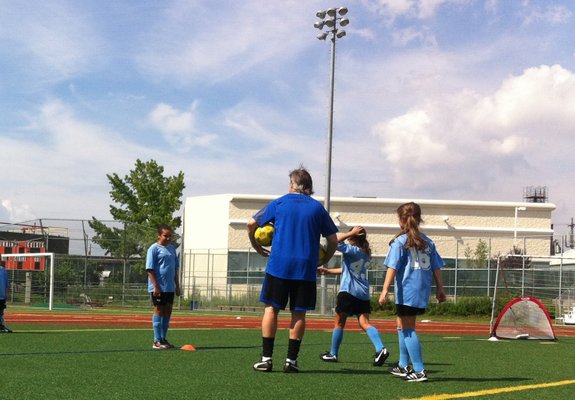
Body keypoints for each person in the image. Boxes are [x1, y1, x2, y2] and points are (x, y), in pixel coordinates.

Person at [247, 166, 338, 373]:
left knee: (271, 309)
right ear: (309, 187)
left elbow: (250, 223)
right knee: (299, 313)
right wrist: (325, 259)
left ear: (291, 185)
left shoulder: (279, 203)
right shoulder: (317, 208)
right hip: (305, 267)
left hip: (278, 265)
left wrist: (255, 245)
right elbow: (332, 239)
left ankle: (266, 359)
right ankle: (291, 361)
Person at [378, 202, 446, 382]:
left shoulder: (400, 242)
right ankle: (402, 364)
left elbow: (392, 267)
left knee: (408, 329)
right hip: (420, 290)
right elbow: (436, 266)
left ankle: (419, 369)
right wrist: (440, 288)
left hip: (407, 290)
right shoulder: (428, 242)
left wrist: (384, 290)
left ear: (401, 220)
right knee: (401, 325)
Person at [318, 226, 389, 366]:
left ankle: (333, 353)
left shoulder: (353, 250)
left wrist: (350, 232)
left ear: (354, 237)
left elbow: (334, 241)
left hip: (349, 291)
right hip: (362, 292)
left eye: (351, 236)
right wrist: (328, 271)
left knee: (339, 323)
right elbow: (347, 269)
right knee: (365, 323)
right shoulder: (365, 253)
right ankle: (381, 348)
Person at [146, 224, 181, 349]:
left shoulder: (172, 249)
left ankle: (163, 339)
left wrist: (177, 286)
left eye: (170, 236)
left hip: (170, 287)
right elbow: (149, 269)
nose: (168, 238)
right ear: (159, 235)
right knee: (159, 310)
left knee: (168, 311)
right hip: (159, 287)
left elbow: (175, 269)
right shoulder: (153, 249)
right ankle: (156, 341)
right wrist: (156, 287)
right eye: (165, 235)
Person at [0, 262, 12, 333]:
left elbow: (6, 284)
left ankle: (1, 326)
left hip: (1, 296)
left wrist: (6, 294)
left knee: (1, 312)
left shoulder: (3, 270)